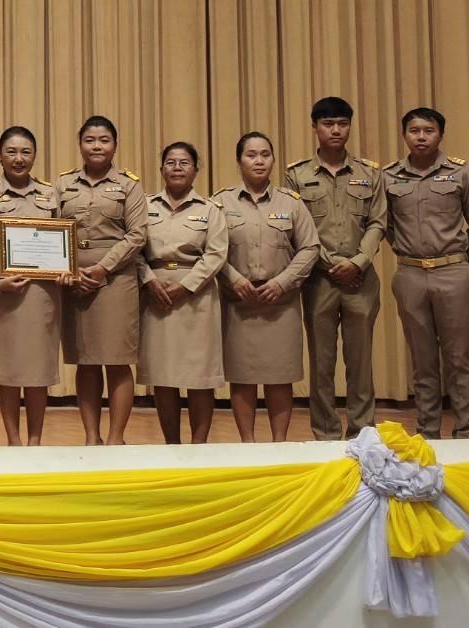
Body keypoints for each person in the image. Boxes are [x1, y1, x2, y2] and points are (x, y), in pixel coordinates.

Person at [284, 97, 388, 441]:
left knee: (361, 362)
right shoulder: (296, 175)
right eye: (328, 124)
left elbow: (378, 222)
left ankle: (362, 433)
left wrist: (358, 262)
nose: (336, 130)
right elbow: (297, 229)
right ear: (315, 127)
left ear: (349, 127)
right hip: (318, 279)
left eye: (342, 123)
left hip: (361, 279)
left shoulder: (369, 173)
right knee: (322, 363)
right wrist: (331, 264)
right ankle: (326, 434)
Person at [383, 107, 469, 439]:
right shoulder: (389, 177)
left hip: (453, 271)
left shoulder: (461, 173)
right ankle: (428, 433)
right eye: (414, 131)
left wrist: (459, 262)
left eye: (428, 131)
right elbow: (385, 226)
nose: (421, 137)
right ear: (404, 135)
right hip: (410, 275)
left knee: (459, 357)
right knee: (422, 359)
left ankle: (465, 433)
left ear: (440, 134)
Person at [216, 132, 319, 442]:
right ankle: (247, 444)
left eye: (265, 154)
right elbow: (210, 250)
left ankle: (279, 443)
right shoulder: (220, 202)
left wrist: (282, 282)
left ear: (273, 160)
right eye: (251, 155)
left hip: (280, 303)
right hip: (238, 302)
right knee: (242, 377)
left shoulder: (291, 202)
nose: (258, 161)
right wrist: (234, 279)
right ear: (238, 161)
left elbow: (310, 247)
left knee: (279, 376)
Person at [0, 126, 66, 446]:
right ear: (0, 156)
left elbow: (63, 240)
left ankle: (35, 441)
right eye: (11, 151)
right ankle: (13, 441)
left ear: (35, 156)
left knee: (38, 369)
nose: (18, 158)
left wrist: (64, 270)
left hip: (42, 294)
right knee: (7, 369)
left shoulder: (50, 194)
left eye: (26, 152)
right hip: (3, 293)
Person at [58, 115, 146, 446]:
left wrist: (102, 269)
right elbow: (50, 230)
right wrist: (69, 271)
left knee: (118, 360)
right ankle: (92, 437)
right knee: (86, 361)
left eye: (104, 140)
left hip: (116, 280)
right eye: (90, 140)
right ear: (80, 144)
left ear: (115, 146)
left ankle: (115, 438)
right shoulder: (63, 184)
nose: (97, 146)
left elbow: (137, 234)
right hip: (74, 282)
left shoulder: (129, 185)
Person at [138, 142, 228, 444]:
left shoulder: (210, 210)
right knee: (163, 375)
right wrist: (149, 280)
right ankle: (172, 445)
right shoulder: (145, 207)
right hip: (156, 295)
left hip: (197, 297)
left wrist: (186, 286)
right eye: (171, 162)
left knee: (199, 375)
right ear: (161, 169)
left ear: (196, 170)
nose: (177, 168)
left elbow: (216, 254)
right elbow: (134, 249)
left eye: (184, 162)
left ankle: (199, 447)